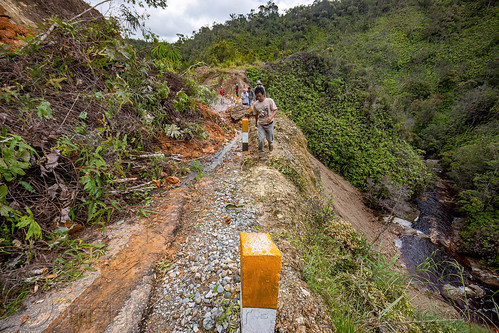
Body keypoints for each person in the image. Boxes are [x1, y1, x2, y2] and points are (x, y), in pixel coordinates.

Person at [252, 86, 278, 154]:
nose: (258, 98)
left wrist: (271, 117)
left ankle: (270, 144)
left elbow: (275, 110)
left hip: (269, 124)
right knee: (260, 139)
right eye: (257, 96)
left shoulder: (269, 101)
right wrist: (256, 122)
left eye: (260, 96)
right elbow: (256, 114)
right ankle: (261, 152)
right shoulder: (255, 104)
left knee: (269, 139)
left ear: (263, 94)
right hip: (261, 124)